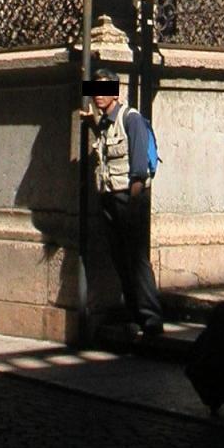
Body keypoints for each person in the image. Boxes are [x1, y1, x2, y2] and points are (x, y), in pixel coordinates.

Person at [84, 67, 163, 338]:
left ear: (115, 92)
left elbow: (139, 169)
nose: (97, 95)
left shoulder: (132, 119)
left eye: (103, 90)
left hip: (129, 199)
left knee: (137, 259)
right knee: (121, 259)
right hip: (109, 198)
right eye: (94, 90)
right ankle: (134, 314)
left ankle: (151, 318)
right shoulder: (104, 124)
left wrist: (133, 203)